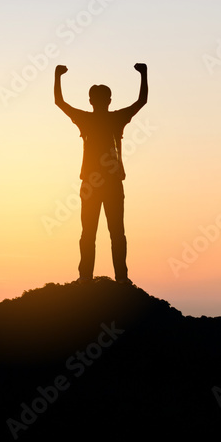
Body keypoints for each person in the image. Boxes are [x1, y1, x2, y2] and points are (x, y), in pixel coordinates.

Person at [54, 63, 148, 284]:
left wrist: (57, 76)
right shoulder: (116, 119)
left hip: (93, 184)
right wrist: (143, 74)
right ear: (109, 100)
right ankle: (119, 279)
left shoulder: (87, 119)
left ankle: (87, 277)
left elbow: (59, 102)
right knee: (115, 233)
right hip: (109, 184)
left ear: (91, 101)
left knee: (90, 233)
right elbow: (141, 101)